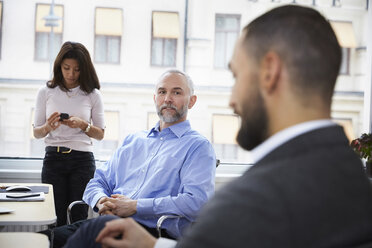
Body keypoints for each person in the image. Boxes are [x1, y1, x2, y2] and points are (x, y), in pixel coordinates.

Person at [64, 4, 372, 248]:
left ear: (270, 72)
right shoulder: (354, 183)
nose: (233, 101)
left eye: (237, 76)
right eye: (162, 91)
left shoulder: (257, 198)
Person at [45, 69, 216, 248]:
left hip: (150, 234)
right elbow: (96, 183)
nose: (167, 99)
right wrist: (102, 201)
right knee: (39, 239)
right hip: (108, 222)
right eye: (162, 92)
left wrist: (135, 206)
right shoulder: (133, 141)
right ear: (155, 97)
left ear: (192, 101)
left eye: (177, 92)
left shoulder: (198, 147)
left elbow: (197, 202)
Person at [33, 41, 105, 227]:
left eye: (77, 69)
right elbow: (36, 133)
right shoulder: (46, 92)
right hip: (53, 159)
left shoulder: (93, 94)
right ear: (59, 66)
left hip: (82, 161)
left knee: (78, 217)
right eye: (66, 68)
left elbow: (100, 134)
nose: (71, 74)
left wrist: (83, 125)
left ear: (85, 69)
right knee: (54, 217)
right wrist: (49, 127)